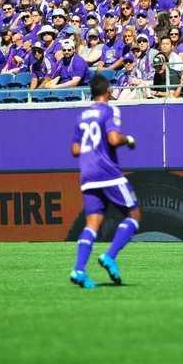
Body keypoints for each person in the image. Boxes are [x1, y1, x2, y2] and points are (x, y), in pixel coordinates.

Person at [69, 74, 141, 289]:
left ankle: (79, 270)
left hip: (87, 175)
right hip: (108, 172)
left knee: (92, 224)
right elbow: (112, 138)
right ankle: (110, 256)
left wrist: (92, 151)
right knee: (134, 215)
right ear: (108, 91)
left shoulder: (81, 116)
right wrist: (128, 140)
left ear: (91, 92)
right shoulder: (110, 110)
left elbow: (74, 150)